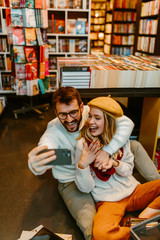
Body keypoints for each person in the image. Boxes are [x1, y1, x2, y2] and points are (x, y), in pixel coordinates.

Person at [28, 87, 160, 240]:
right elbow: (46, 147)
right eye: (62, 114)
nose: (69, 119)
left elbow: (125, 122)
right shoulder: (54, 131)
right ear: (56, 113)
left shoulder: (93, 111)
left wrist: (108, 151)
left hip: (102, 171)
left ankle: (153, 190)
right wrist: (38, 160)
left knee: (134, 145)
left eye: (73, 112)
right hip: (73, 179)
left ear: (82, 107)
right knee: (92, 230)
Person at [75, 96, 160, 240]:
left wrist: (114, 163)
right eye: (90, 116)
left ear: (108, 121)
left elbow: (128, 169)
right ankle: (140, 229)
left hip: (133, 191)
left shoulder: (121, 140)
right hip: (108, 201)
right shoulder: (82, 146)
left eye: (97, 118)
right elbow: (85, 188)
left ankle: (142, 220)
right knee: (101, 234)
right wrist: (83, 164)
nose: (91, 122)